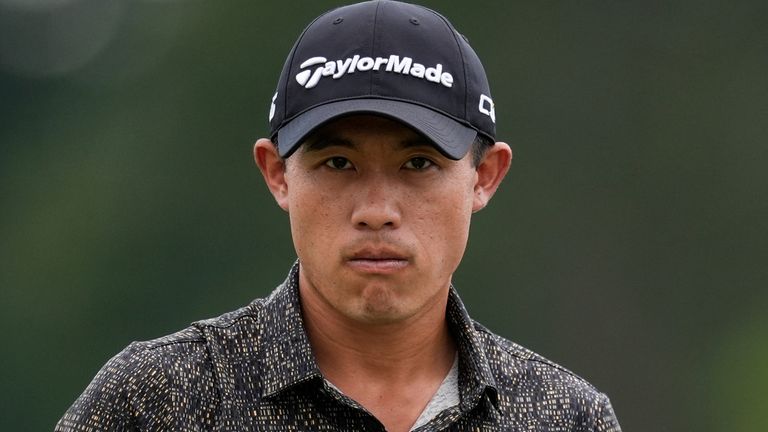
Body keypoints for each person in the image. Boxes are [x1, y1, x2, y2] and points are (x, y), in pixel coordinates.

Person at [56, 1, 622, 431]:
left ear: (485, 177)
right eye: (338, 162)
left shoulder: (564, 417)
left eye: (419, 163)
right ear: (277, 174)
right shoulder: (155, 399)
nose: (377, 212)